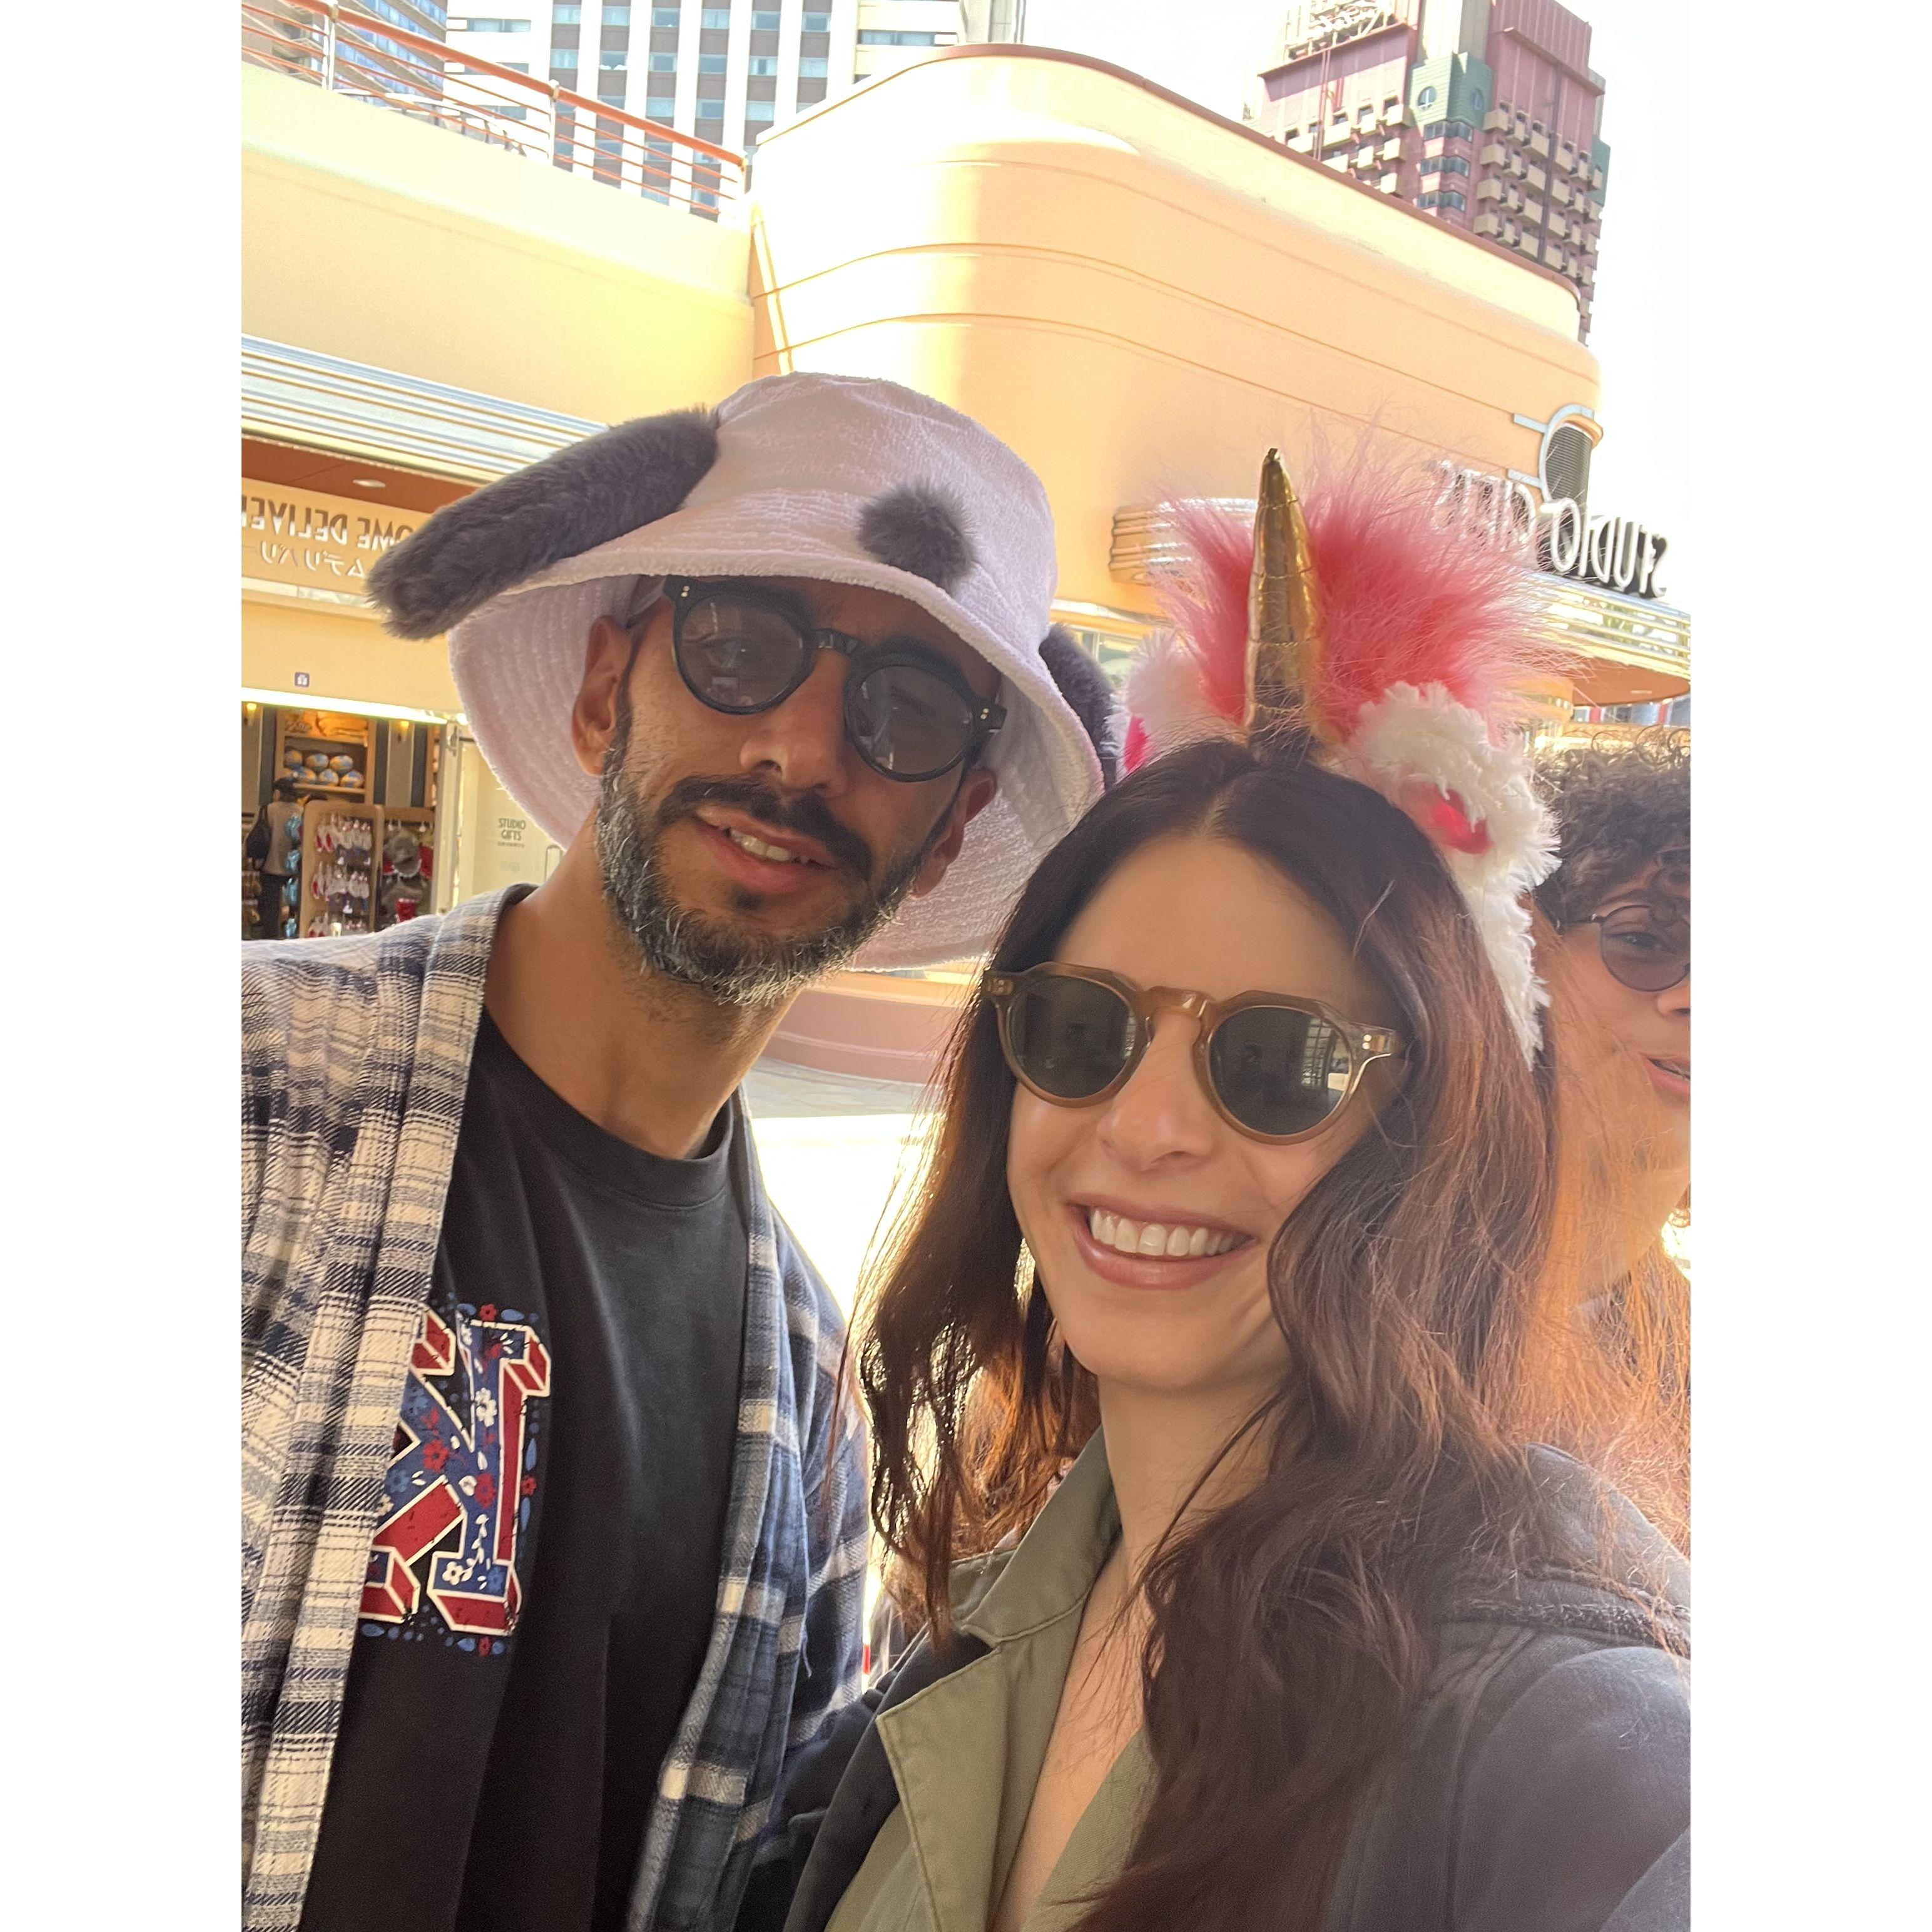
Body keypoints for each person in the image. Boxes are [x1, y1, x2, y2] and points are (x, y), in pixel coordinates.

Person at [743, 454, 1689, 1932]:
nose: (1146, 1125)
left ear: (1423, 1133)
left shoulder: (1539, 1730)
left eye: (1276, 1061)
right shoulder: (978, 1630)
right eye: (1083, 1029)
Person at [242, 372, 1117, 1932]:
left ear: (949, 825)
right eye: (740, 640)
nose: (802, 747)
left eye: (905, 706)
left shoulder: (812, 1408)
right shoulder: (244, 1085)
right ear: (605, 685)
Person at [246, 775, 303, 940]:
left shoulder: (267, 810)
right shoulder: (302, 812)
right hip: (294, 870)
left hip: (270, 867)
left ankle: (270, 941)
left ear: (277, 792)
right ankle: (290, 940)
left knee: (269, 913)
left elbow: (253, 837)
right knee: (293, 911)